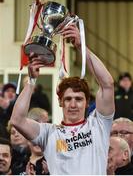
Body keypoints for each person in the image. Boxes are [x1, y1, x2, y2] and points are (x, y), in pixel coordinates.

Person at [10, 23, 115, 174]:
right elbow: (16, 120)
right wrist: (31, 81)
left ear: (87, 103)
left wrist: (81, 46)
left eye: (79, 99)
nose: (73, 104)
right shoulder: (48, 133)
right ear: (60, 102)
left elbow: (107, 84)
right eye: (68, 99)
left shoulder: (98, 125)